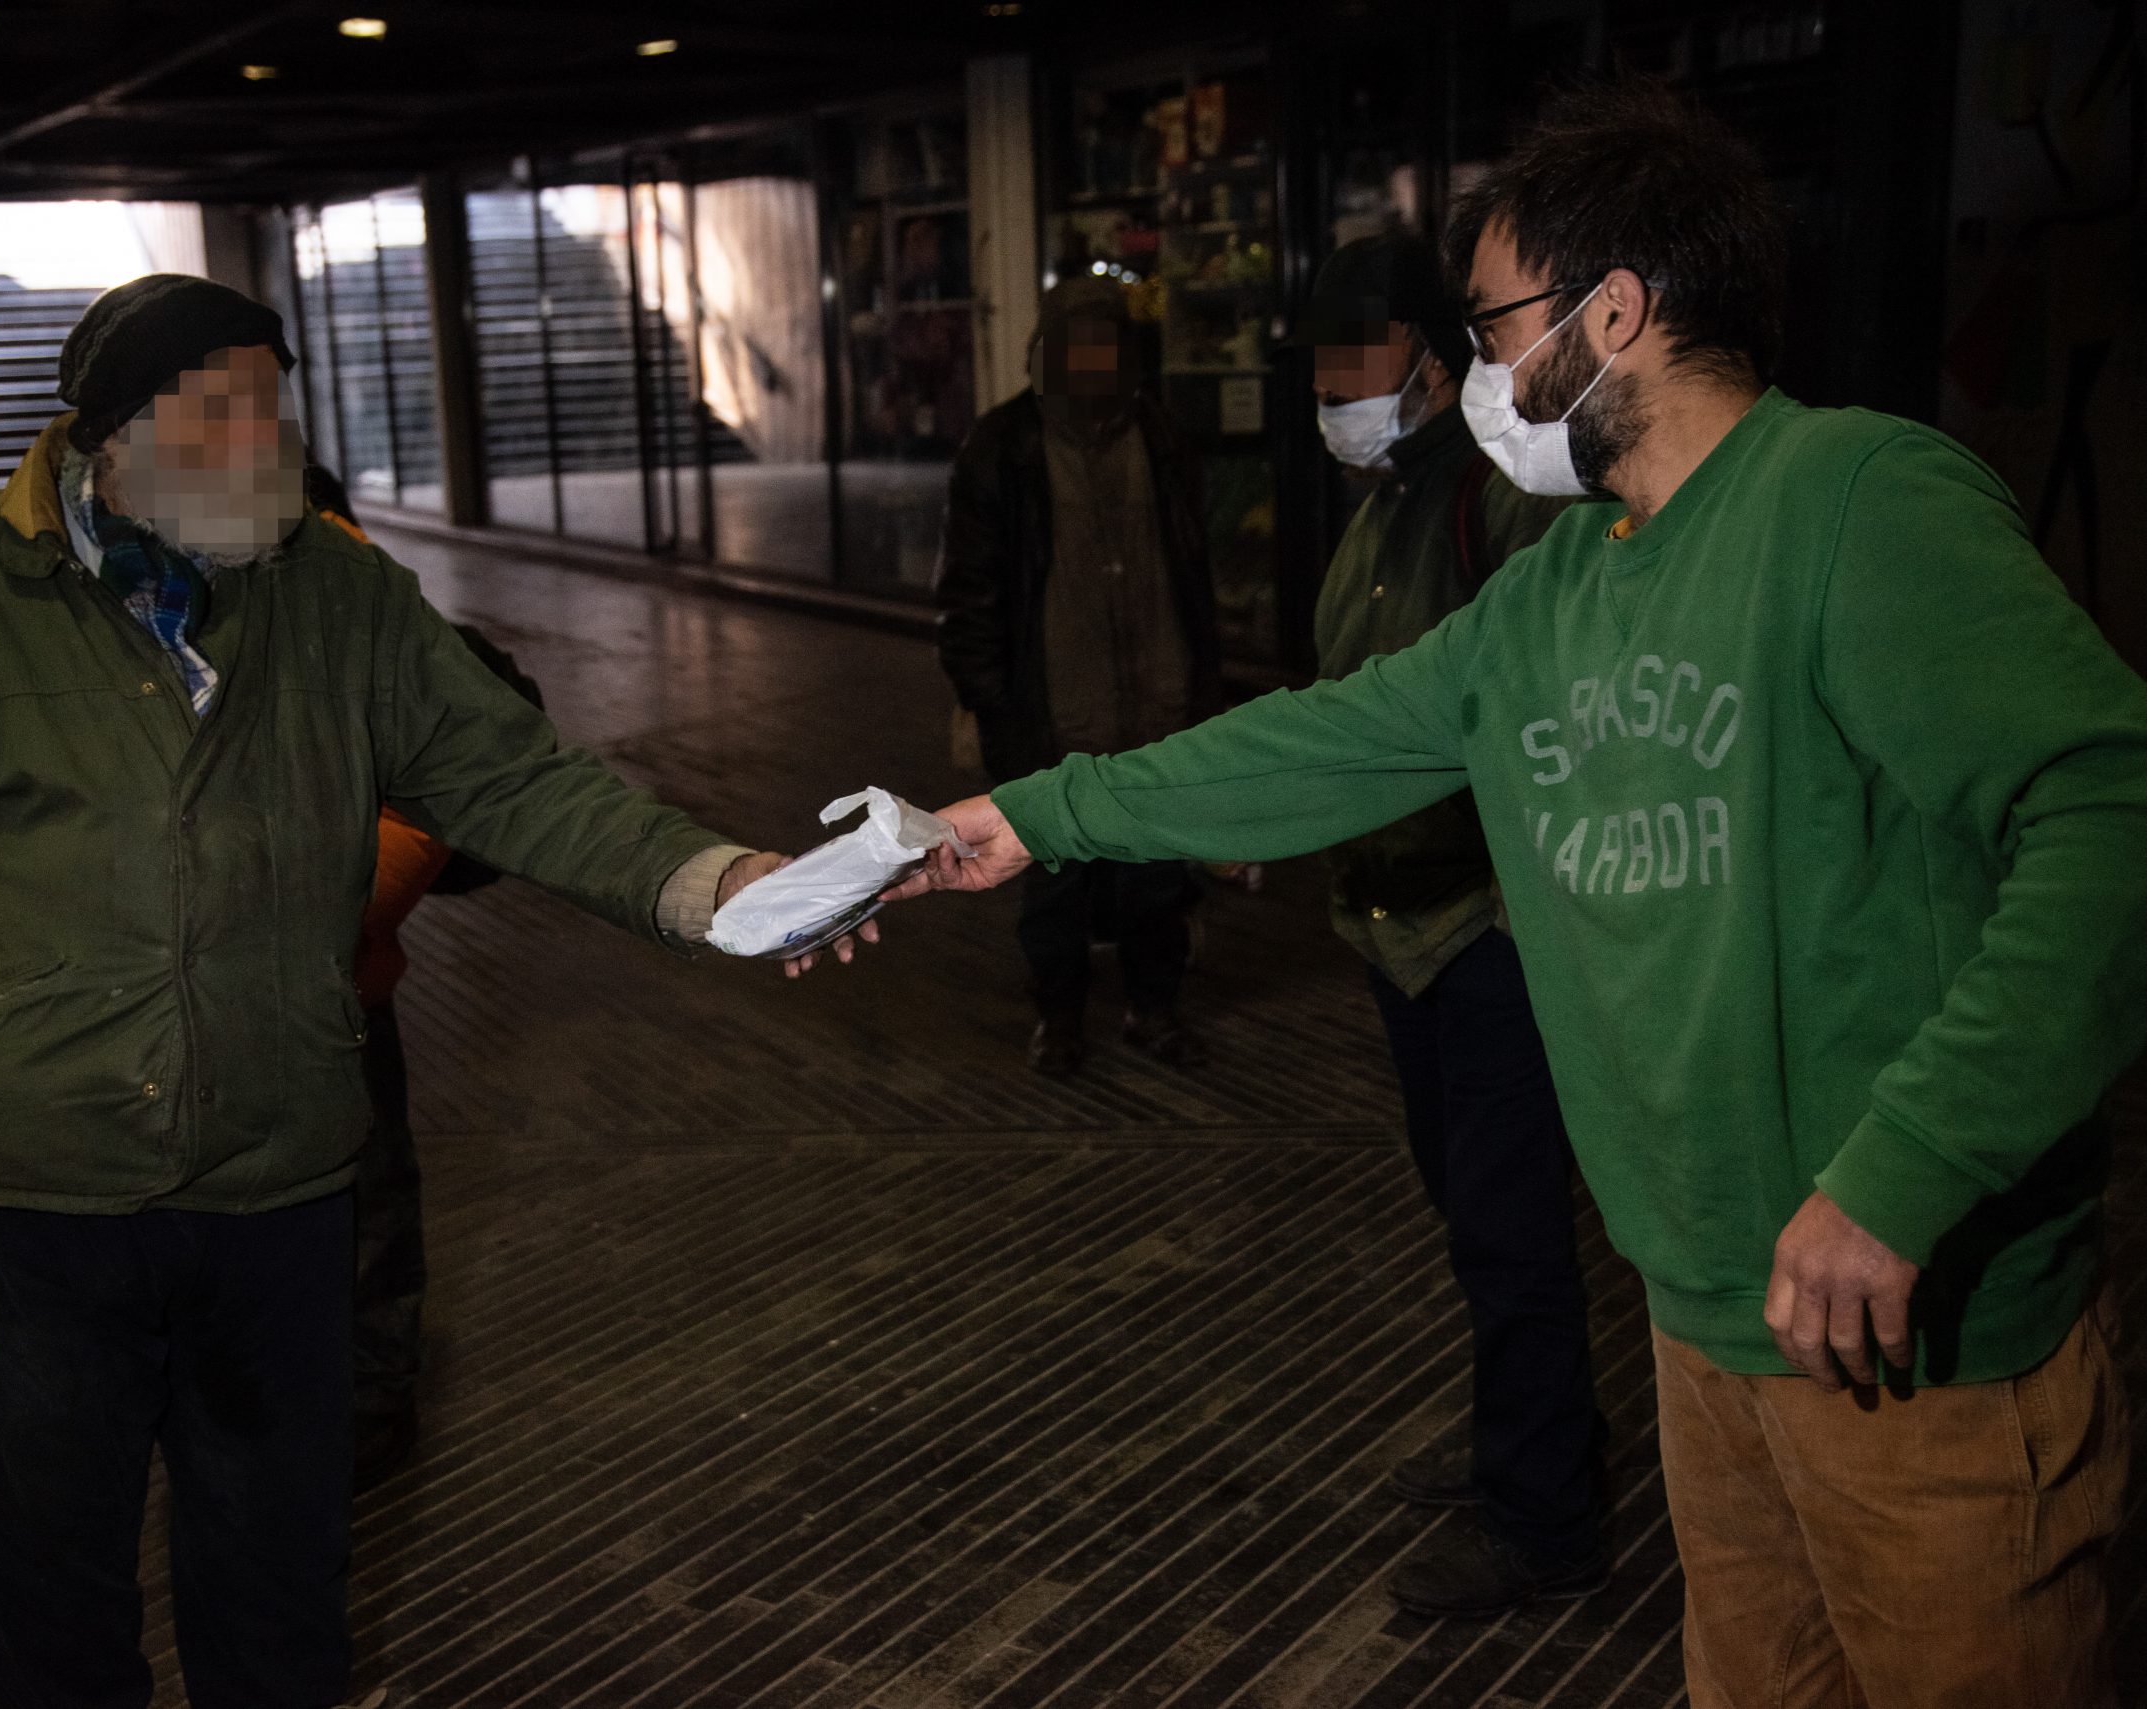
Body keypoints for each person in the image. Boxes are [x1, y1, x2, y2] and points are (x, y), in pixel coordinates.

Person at [895, 78, 2147, 1701]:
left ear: (1613, 312)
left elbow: (2108, 817)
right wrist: (1029, 814)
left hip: (1919, 1345)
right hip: (1707, 1321)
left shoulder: (1856, 502)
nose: (1478, 375)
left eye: (1491, 330)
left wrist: (1905, 1169)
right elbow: (1327, 740)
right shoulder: (1556, 591)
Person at [0, 274, 869, 1709]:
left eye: (274, 410)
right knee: (38, 1591)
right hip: (36, 1196)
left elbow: (512, 778)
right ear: (117, 434)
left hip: (278, 1177)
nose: (269, 444)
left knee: (279, 1581)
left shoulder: (336, 593)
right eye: (225, 412)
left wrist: (711, 884)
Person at [1298, 230, 1602, 1616]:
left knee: (1512, 1228)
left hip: (1489, 936)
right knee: (1470, 1214)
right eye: (1321, 363)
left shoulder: (1506, 502)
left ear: (1432, 360)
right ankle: (1516, 1450)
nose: (1337, 388)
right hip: (1398, 936)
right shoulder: (1380, 499)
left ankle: (1543, 1516)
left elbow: (1524, 723)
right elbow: (1349, 704)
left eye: (1361, 360)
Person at [306, 469, 546, 1491]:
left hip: (334, 991)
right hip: (297, 989)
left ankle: (365, 1408)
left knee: (363, 1208)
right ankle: (356, 1404)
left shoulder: (348, 607)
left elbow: (482, 753)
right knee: (355, 1211)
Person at [935, 275, 1224, 1078]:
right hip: (1053, 719)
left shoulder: (1160, 436)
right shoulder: (1003, 448)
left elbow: (1194, 574)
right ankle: (1058, 1016)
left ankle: (1153, 1007)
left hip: (1158, 716)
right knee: (1052, 886)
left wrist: (1204, 690)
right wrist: (996, 710)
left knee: (1157, 878)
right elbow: (967, 599)